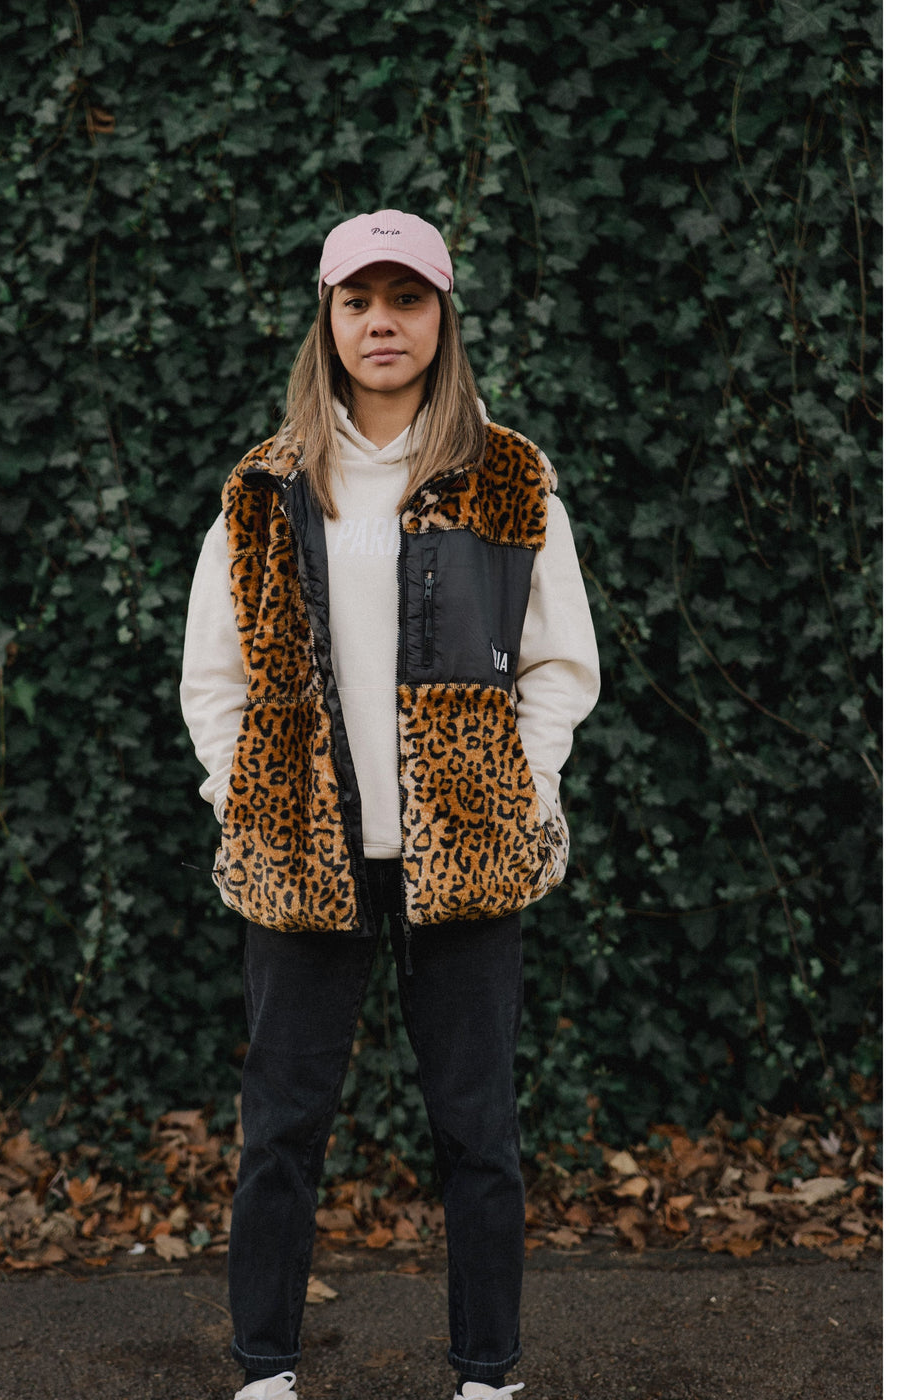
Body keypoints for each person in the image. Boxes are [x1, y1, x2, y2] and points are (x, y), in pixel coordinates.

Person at [179, 208, 600, 1400]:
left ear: (439, 319)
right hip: (304, 858)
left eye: (404, 299)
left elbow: (559, 662)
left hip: (465, 859)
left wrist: (520, 792)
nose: (380, 321)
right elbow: (214, 675)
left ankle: (486, 1374)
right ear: (327, 318)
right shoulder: (264, 487)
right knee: (280, 1132)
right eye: (357, 300)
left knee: (478, 1131)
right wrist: (241, 798)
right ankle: (263, 1369)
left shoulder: (508, 479)